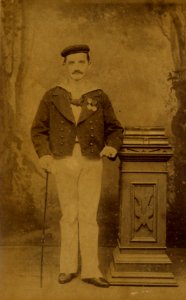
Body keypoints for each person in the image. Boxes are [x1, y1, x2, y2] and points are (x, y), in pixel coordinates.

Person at [31, 44, 123, 288]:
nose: (76, 68)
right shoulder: (53, 96)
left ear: (88, 65)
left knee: (89, 216)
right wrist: (45, 156)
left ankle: (91, 271)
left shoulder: (99, 96)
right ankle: (68, 267)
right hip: (63, 160)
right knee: (69, 215)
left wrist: (112, 147)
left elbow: (115, 128)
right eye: (72, 63)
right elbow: (38, 130)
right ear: (64, 66)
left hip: (91, 160)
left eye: (81, 62)